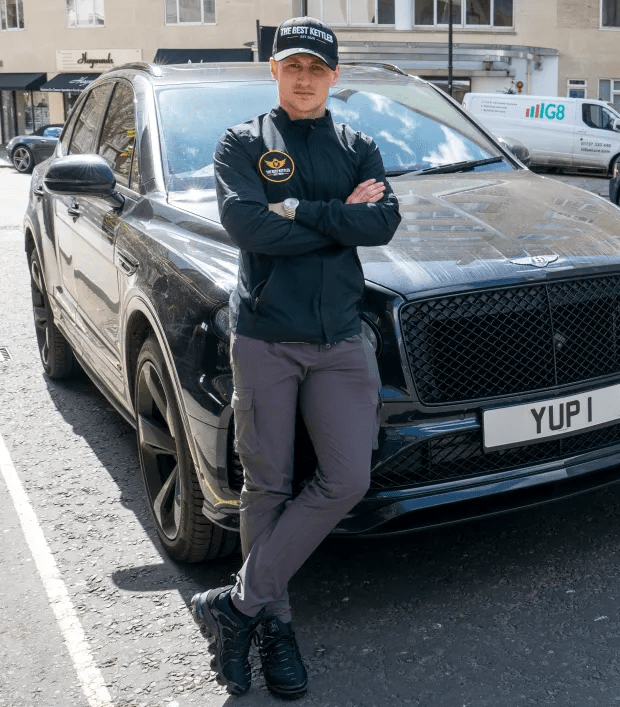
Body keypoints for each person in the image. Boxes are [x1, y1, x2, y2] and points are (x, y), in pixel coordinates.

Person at [191, 15, 401, 699]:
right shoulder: (243, 142)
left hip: (340, 338)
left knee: (348, 478)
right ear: (274, 72)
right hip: (265, 335)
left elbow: (382, 221)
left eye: (317, 67)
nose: (305, 77)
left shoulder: (359, 144)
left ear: (335, 77)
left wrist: (295, 211)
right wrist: (334, 214)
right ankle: (275, 623)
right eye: (293, 66)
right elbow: (244, 224)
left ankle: (238, 603)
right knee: (268, 484)